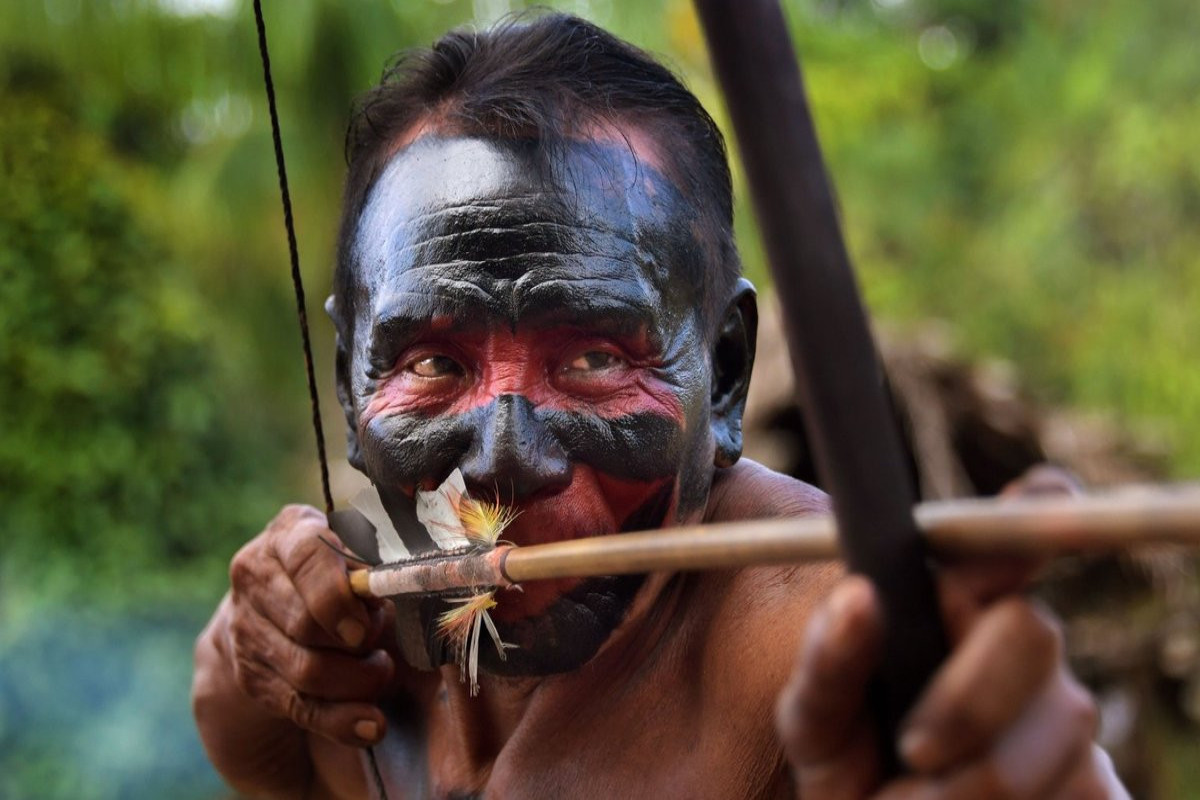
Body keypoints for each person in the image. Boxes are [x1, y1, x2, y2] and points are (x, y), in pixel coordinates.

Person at [192, 13, 1125, 799]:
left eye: (594, 357)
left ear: (721, 376)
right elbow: (235, 712)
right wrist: (254, 642)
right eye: (434, 363)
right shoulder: (353, 635)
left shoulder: (810, 628)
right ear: (353, 379)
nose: (502, 458)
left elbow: (931, 705)